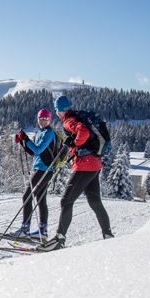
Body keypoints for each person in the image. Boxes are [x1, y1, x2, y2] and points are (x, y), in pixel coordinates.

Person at [49, 95, 113, 250]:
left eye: (57, 110)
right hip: (94, 164)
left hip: (84, 165)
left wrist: (75, 143)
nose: (57, 113)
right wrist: (74, 144)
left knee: (66, 201)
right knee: (95, 201)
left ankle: (59, 238)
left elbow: (82, 131)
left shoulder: (69, 120)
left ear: (60, 110)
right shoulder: (77, 116)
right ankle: (108, 235)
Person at [12, 108, 57, 238]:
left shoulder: (49, 133)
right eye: (41, 119)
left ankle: (25, 229)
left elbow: (38, 150)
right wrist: (22, 141)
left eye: (45, 119)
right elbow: (33, 152)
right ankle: (42, 231)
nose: (43, 121)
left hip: (44, 169)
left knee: (27, 196)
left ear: (50, 120)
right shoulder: (40, 133)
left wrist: (26, 139)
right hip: (41, 169)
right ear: (37, 120)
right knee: (41, 199)